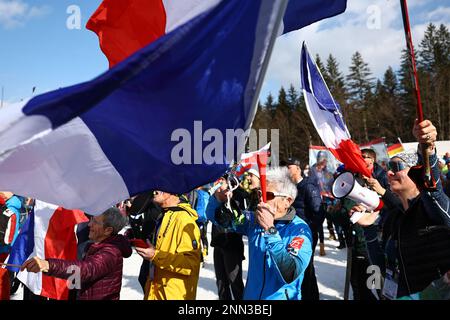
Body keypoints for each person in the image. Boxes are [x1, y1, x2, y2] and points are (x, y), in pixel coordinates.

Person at [351, 119, 450, 299]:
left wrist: (427, 148)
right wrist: (368, 230)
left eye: (396, 167)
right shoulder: (394, 216)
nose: (389, 172)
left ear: (414, 172)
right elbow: (382, 267)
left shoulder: (432, 209)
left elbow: (433, 191)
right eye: (389, 167)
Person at [208, 167, 312, 300]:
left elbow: (290, 273)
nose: (261, 200)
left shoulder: (299, 230)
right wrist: (218, 199)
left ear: (287, 201)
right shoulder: (255, 220)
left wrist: (270, 230)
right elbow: (217, 219)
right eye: (259, 194)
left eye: (268, 195)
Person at [21, 207, 131, 300]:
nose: (89, 225)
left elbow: (86, 270)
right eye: (91, 219)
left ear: (108, 230)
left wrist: (48, 265)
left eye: (95, 222)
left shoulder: (111, 252)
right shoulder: (96, 246)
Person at [136, 190, 201, 300]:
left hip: (173, 295)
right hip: (156, 292)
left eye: (161, 186)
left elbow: (190, 264)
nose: (155, 190)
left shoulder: (183, 219)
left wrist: (155, 255)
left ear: (173, 190)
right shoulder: (164, 215)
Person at [205, 171, 256, 300]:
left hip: (232, 244)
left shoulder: (239, 194)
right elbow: (209, 214)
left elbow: (241, 218)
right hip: (218, 241)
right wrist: (218, 198)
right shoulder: (216, 194)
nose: (219, 183)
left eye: (221, 179)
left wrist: (230, 198)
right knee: (221, 282)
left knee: (235, 283)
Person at [282, 157, 324, 300]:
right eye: (286, 167)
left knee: (306, 269)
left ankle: (311, 297)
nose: (287, 170)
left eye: (290, 167)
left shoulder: (308, 186)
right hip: (292, 235)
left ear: (298, 169)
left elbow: (318, 212)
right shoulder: (289, 188)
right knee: (297, 269)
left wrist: (308, 232)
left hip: (305, 234)